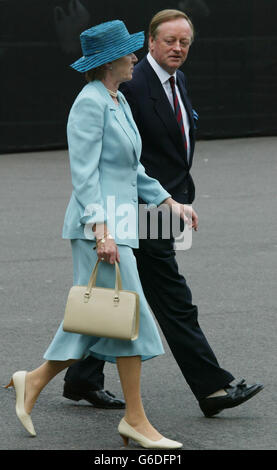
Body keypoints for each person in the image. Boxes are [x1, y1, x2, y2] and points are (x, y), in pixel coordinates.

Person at [5, 20, 196, 449]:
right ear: (111, 61)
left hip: (122, 225)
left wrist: (171, 203)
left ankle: (32, 381)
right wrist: (102, 230)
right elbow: (85, 174)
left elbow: (133, 170)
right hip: (99, 230)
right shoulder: (89, 103)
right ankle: (135, 419)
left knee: (98, 320)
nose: (134, 58)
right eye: (128, 53)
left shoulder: (117, 100)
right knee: (128, 316)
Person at [64, 10, 263, 418]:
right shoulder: (126, 87)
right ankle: (212, 388)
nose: (178, 48)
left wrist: (173, 199)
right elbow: (106, 165)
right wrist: (108, 223)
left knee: (111, 296)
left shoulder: (176, 80)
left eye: (185, 42)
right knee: (172, 298)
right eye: (169, 41)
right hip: (132, 212)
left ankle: (82, 376)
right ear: (151, 42)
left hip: (158, 204)